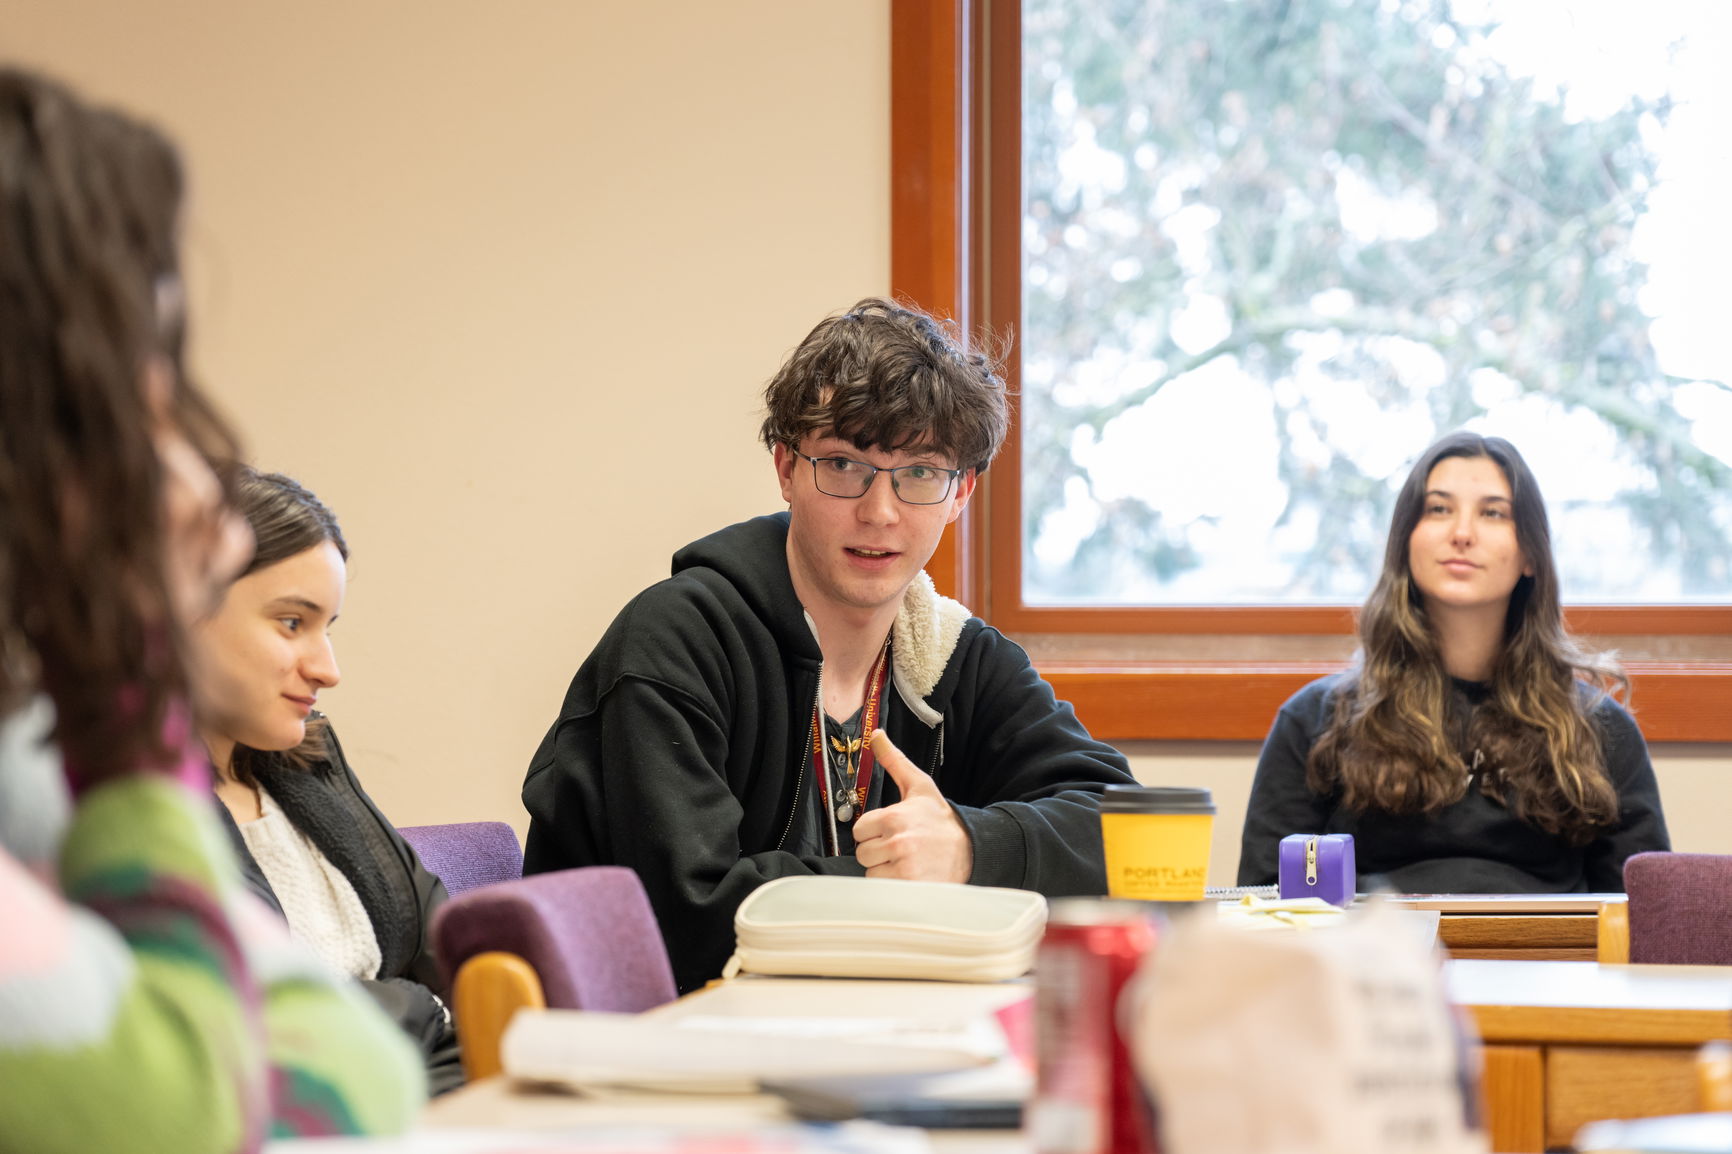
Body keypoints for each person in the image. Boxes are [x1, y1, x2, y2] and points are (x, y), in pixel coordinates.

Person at [0, 67, 423, 1150]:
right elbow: (228, 1109)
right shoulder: (92, 742)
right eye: (141, 405)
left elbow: (366, 1063)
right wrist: (127, 675)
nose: (202, 500)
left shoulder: (31, 757)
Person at [522, 298, 1137, 991]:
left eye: (921, 473)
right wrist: (902, 882)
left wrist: (967, 849)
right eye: (843, 466)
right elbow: (686, 918)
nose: (880, 511)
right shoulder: (676, 644)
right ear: (786, 468)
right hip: (653, 1057)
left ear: (961, 492)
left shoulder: (953, 655)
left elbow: (1129, 837)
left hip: (858, 1038)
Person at [1237, 431, 1670, 892]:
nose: (1462, 534)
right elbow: (1261, 902)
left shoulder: (1599, 728)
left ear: (1530, 555)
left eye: (1493, 513)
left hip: (1552, 962)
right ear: (1407, 540)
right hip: (1375, 960)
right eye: (1439, 509)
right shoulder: (1315, 720)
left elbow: (1647, 919)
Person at [194, 467, 463, 1095]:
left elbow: (455, 952)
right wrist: (421, 1009)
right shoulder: (128, 807)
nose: (328, 669)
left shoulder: (308, 759)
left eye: (328, 627)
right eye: (292, 622)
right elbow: (272, 1036)